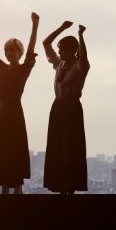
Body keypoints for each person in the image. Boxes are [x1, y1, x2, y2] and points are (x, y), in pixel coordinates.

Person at [0, 13, 39, 194]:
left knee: (15, 150)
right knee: (1, 149)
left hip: (14, 114)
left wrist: (35, 25)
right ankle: (5, 187)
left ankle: (18, 187)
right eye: (7, 50)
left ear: (19, 53)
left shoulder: (24, 69)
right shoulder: (2, 67)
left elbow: (30, 51)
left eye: (12, 51)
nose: (8, 54)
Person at [42, 21, 90, 195]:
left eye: (62, 49)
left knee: (71, 148)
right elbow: (46, 44)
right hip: (58, 107)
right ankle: (60, 185)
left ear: (71, 51)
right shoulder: (59, 64)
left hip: (71, 109)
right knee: (57, 147)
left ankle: (69, 187)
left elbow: (83, 58)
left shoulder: (79, 67)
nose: (59, 52)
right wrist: (62, 28)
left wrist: (80, 36)